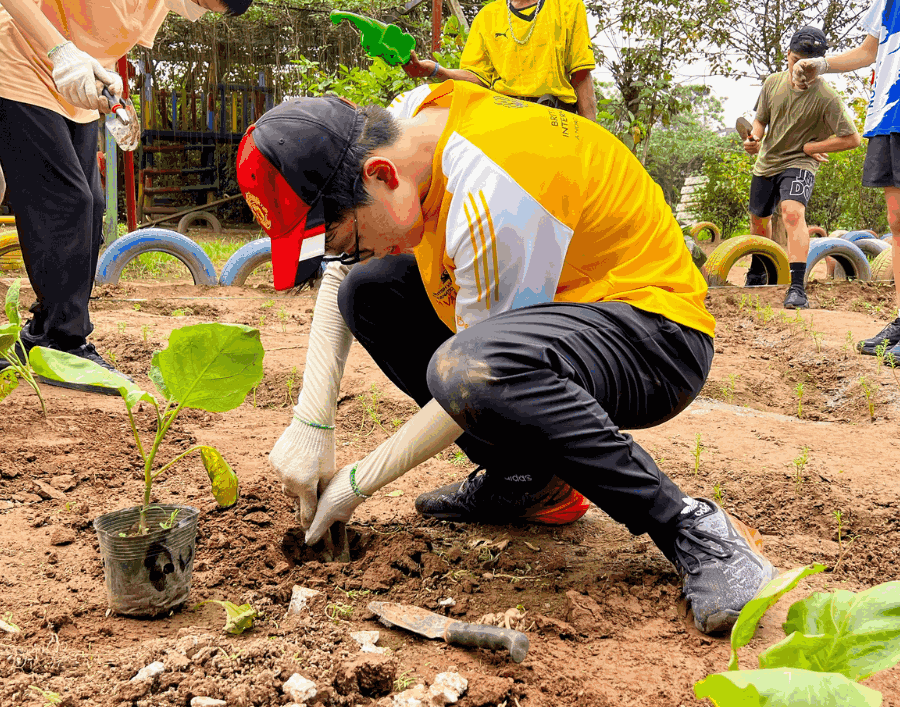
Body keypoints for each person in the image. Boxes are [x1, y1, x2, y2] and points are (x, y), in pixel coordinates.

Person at [237, 81, 779, 635]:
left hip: (655, 337)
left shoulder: (494, 194)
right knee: (367, 292)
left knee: (469, 367)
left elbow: (474, 378)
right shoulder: (405, 126)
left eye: (343, 238)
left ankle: (696, 532)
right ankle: (528, 481)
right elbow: (345, 273)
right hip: (557, 317)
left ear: (381, 177)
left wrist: (356, 484)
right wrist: (312, 424)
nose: (347, 255)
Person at [0, 0, 252, 392]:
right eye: (202, 1)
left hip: (69, 90)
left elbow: (100, 38)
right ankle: (65, 341)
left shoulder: (157, 5)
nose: (196, 10)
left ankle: (44, 332)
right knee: (68, 200)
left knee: (94, 205)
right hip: (17, 66)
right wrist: (62, 52)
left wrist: (105, 85)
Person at [793, 4, 900, 364]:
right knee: (898, 221)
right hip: (890, 111)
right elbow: (869, 52)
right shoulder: (885, 3)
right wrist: (820, 65)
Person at [742, 26, 860, 308]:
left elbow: (852, 138)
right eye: (797, 62)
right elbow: (761, 120)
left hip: (800, 163)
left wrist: (812, 148)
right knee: (759, 220)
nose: (802, 71)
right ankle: (760, 271)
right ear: (788, 56)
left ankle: (797, 288)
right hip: (768, 161)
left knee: (792, 213)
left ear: (819, 65)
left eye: (810, 66)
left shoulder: (827, 97)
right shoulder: (772, 83)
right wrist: (754, 139)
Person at [400, 0, 597, 121]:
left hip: (557, 120)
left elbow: (580, 74)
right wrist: (435, 70)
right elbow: (478, 78)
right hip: (505, 121)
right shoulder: (487, 17)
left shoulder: (568, 6)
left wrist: (592, 135)